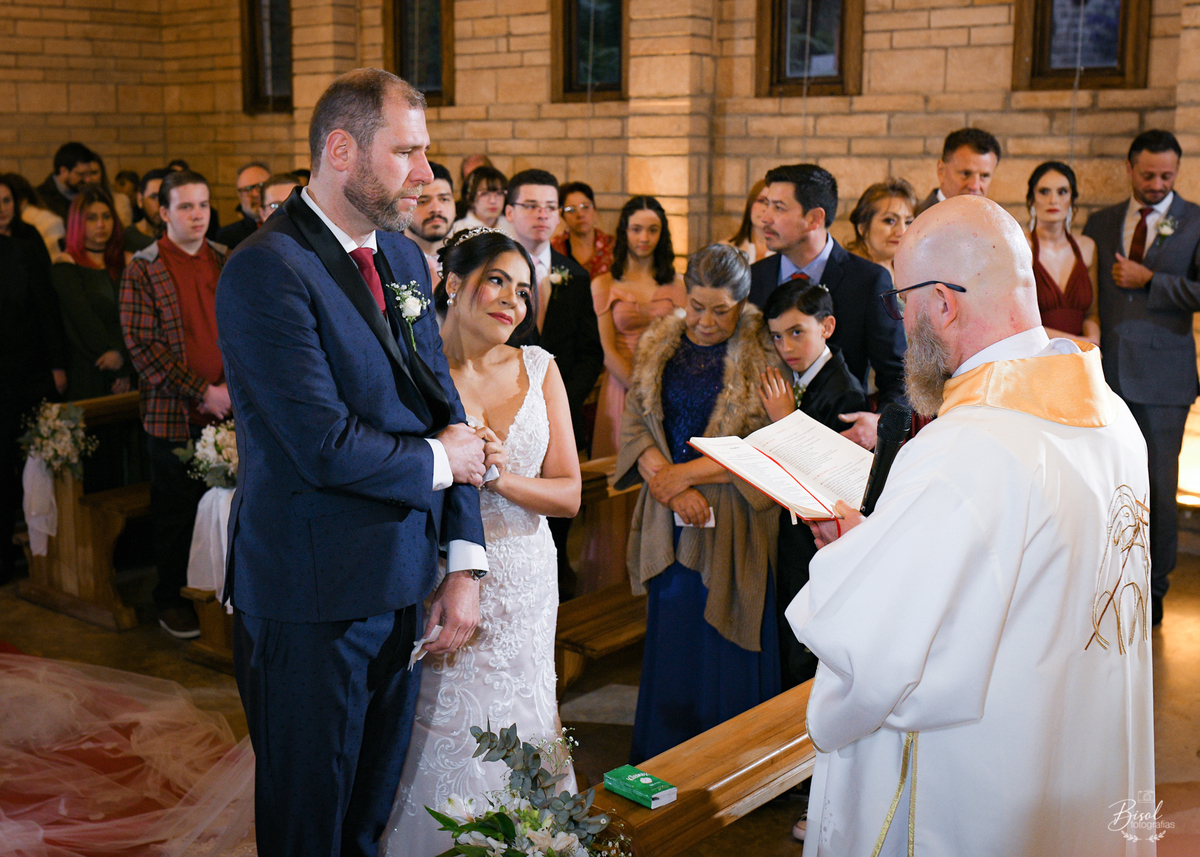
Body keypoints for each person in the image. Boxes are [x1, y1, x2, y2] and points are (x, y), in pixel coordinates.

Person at [787, 195, 1154, 856]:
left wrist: (849, 565)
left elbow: (878, 652)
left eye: (903, 301)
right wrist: (877, 541)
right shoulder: (1113, 422)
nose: (900, 321)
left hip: (981, 792)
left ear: (943, 304)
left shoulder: (965, 448)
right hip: (1077, 766)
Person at [214, 69, 487, 857]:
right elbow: (322, 444)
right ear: (341, 150)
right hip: (312, 601)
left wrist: (463, 560)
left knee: (364, 823)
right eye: (407, 152)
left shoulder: (402, 259)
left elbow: (447, 412)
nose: (428, 176)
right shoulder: (267, 270)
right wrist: (443, 461)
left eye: (426, 153)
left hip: (402, 586)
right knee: (309, 829)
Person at [383, 227, 581, 855]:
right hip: (440, 574)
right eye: (497, 280)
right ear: (452, 283)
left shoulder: (540, 367)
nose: (512, 302)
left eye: (523, 291)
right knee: (438, 725)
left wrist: (500, 476)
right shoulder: (411, 369)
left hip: (525, 574)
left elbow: (570, 493)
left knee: (524, 713)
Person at [615, 243, 780, 763]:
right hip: (670, 513)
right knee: (675, 632)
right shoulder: (658, 344)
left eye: (721, 310)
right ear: (684, 296)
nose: (706, 321)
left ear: (743, 301)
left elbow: (763, 444)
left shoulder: (763, 352)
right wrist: (671, 486)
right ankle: (667, 753)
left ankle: (730, 762)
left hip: (732, 514)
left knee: (723, 635)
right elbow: (637, 423)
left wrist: (682, 477)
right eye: (698, 306)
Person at [1084, 128, 1200, 627]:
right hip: (1106, 375)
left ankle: (1154, 588)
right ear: (1130, 168)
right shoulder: (1101, 221)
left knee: (1157, 483)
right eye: (1148, 174)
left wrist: (1153, 280)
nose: (1157, 183)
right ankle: (1105, 578)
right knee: (1106, 484)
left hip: (1164, 379)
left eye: (1167, 176)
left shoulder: (1195, 220)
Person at [120, 169, 230, 640]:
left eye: (203, 205)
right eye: (185, 206)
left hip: (230, 410)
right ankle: (172, 599)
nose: (197, 215)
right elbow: (145, 348)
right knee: (176, 515)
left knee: (226, 510)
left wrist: (231, 390)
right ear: (163, 213)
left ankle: (223, 595)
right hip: (175, 415)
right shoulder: (143, 268)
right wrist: (204, 391)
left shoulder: (225, 258)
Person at [748, 164, 906, 450]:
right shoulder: (754, 277)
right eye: (766, 205)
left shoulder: (868, 280)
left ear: (814, 218)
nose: (764, 218)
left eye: (779, 208)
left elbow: (898, 373)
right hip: (763, 444)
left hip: (836, 441)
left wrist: (880, 422)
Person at [757, 280, 866, 694]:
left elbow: (831, 481)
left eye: (797, 332)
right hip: (794, 540)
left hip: (819, 543)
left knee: (809, 653)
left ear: (828, 326)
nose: (786, 346)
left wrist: (786, 420)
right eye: (777, 336)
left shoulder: (844, 391)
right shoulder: (796, 380)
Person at [590, 195, 685, 459]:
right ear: (624, 232)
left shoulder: (679, 283)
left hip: (669, 387)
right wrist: (642, 390)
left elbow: (685, 341)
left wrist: (663, 391)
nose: (644, 238)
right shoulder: (604, 283)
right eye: (636, 229)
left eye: (652, 230)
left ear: (662, 234)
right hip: (623, 385)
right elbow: (606, 350)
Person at [51, 188, 135, 401]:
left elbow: (136, 316)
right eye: (91, 218)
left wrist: (122, 357)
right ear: (78, 223)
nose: (101, 225)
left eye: (106, 217)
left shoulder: (129, 262)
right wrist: (115, 362)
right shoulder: (66, 265)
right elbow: (83, 322)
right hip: (90, 365)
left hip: (131, 361)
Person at [1025, 161, 1099, 343]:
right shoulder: (1021, 246)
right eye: (1044, 192)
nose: (1053, 200)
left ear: (1073, 200)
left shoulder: (1087, 247)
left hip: (1078, 357)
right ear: (1031, 200)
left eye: (1062, 192)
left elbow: (1092, 313)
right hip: (1036, 356)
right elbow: (1017, 320)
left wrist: (1093, 341)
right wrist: (1074, 342)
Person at [914, 127, 1002, 215]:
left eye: (984, 176)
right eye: (966, 173)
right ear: (941, 171)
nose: (975, 186)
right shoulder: (912, 224)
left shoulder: (999, 225)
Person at [845, 178, 918, 281]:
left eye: (908, 222)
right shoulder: (848, 274)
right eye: (890, 220)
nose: (902, 232)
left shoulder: (909, 269)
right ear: (862, 227)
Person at [552, 180, 615, 278]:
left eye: (585, 207)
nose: (580, 214)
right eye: (571, 210)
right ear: (562, 215)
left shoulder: (612, 247)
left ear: (594, 210)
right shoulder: (555, 248)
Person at [405, 160, 456, 281]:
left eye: (444, 199)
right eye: (422, 201)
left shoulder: (469, 259)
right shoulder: (386, 258)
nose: (436, 209)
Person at [6, 171, 67, 258]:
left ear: (22, 200)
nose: (2, 207)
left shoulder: (47, 222)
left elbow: (54, 259)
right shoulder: (8, 225)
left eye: (7, 200)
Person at [37, 142, 99, 221]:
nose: (88, 179)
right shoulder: (41, 199)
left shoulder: (89, 193)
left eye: (89, 173)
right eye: (81, 174)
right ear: (63, 171)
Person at [215, 162, 271, 250]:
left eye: (261, 186)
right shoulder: (228, 236)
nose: (255, 194)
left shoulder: (290, 225)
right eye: (247, 189)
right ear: (239, 196)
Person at [451, 165, 511, 235]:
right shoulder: (457, 230)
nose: (493, 201)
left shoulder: (513, 227)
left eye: (499, 193)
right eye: (484, 194)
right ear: (470, 197)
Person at [724, 179, 773, 265]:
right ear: (750, 203)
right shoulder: (726, 250)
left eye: (773, 203)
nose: (765, 209)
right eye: (761, 201)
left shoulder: (788, 254)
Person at [125, 169, 169, 254]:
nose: (161, 205)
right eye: (154, 197)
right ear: (140, 200)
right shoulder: (125, 238)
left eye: (165, 197)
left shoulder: (183, 238)